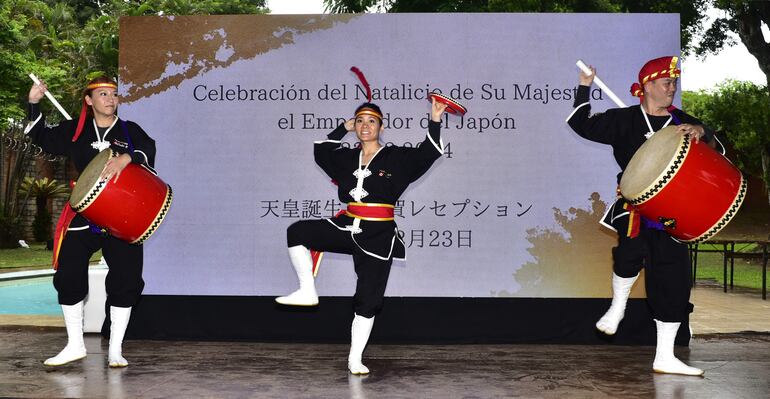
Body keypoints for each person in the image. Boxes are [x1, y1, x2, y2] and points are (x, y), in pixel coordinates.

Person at [566, 56, 720, 376]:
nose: (672, 89)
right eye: (666, 83)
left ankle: (664, 356)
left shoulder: (683, 122)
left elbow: (718, 148)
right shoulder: (623, 120)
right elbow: (580, 123)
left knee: (672, 279)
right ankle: (618, 307)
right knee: (631, 251)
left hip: (673, 212)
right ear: (648, 85)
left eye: (674, 83)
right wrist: (584, 87)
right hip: (634, 206)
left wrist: (701, 131)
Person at [276, 98, 448, 375]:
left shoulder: (398, 158)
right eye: (359, 121)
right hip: (347, 224)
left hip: (378, 235)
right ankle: (307, 290)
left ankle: (354, 359)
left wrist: (435, 119)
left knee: (368, 300)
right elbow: (322, 151)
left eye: (371, 121)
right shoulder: (346, 158)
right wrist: (341, 128)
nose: (365, 126)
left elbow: (428, 152)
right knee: (297, 231)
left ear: (382, 126)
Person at [26, 76, 156, 367]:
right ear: (89, 100)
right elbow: (42, 138)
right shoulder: (76, 130)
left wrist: (128, 158)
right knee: (69, 276)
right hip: (83, 216)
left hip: (121, 218)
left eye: (114, 94)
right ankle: (75, 344)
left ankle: (115, 350)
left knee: (126, 280)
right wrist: (34, 102)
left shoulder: (129, 131)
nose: (111, 99)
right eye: (103, 94)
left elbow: (149, 151)